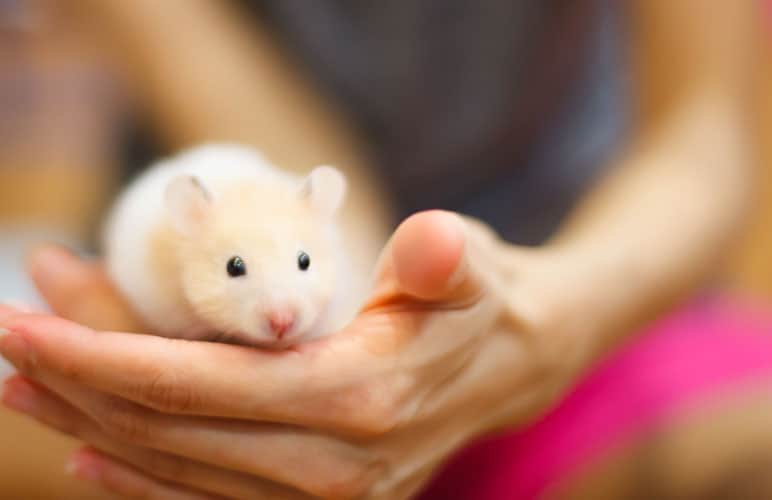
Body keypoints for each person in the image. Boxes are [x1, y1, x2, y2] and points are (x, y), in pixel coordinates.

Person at [0, 1, 765, 498]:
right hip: (219, 328)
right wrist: (356, 333)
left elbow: (707, 130)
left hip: (584, 276)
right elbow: (281, 169)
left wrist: (550, 322)